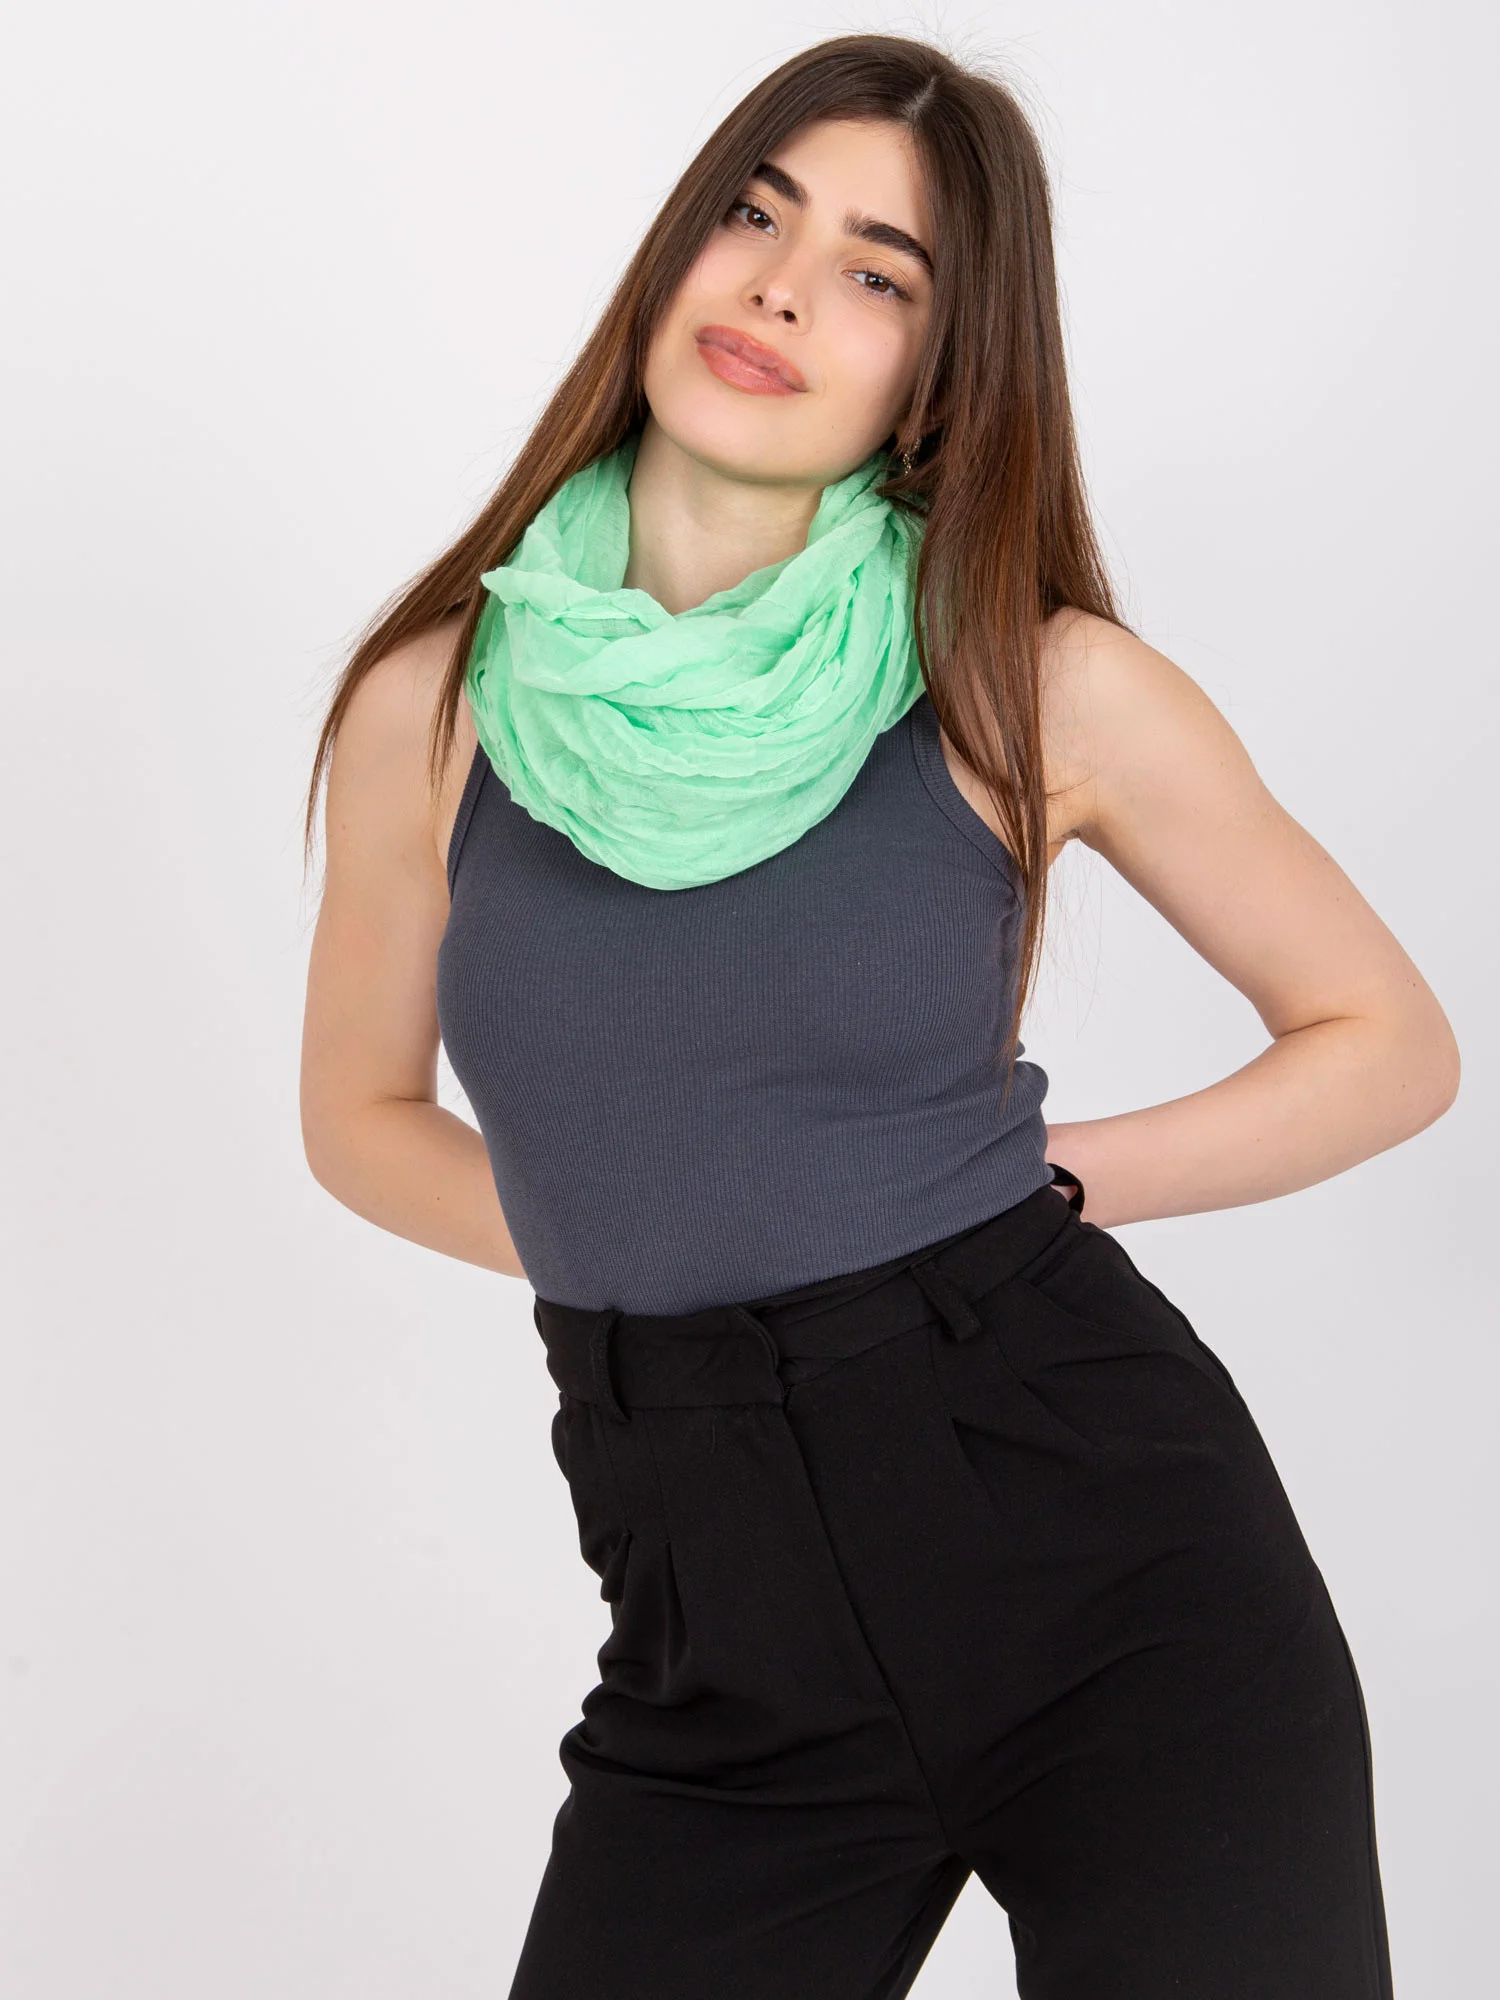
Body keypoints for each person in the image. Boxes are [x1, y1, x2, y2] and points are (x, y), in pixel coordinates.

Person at [298, 32, 1457, 2000]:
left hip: (1112, 1576)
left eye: (874, 272)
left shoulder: (1032, 683)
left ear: (935, 374)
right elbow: (357, 1121)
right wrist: (667, 1235)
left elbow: (1386, 1041)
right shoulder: (435, 704)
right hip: (709, 1621)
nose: (780, 290)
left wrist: (1024, 1186)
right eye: (755, 218)